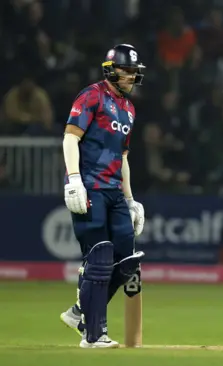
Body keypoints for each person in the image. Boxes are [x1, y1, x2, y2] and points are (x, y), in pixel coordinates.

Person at [58, 44, 147, 348]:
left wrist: (131, 199)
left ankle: (80, 311)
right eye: (128, 71)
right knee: (99, 257)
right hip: (90, 186)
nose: (132, 77)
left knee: (128, 260)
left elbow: (122, 158)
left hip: (114, 191)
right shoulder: (91, 95)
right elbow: (71, 137)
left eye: (136, 72)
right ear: (111, 70)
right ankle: (94, 334)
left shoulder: (129, 109)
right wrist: (73, 180)